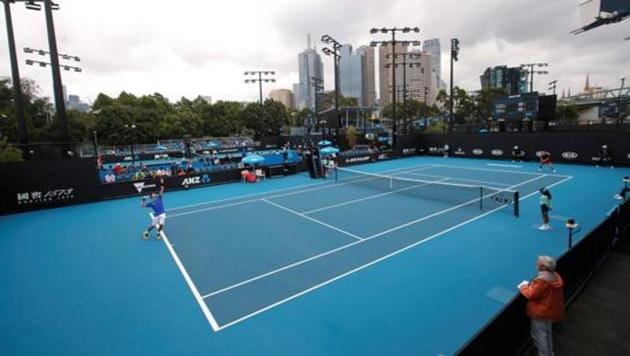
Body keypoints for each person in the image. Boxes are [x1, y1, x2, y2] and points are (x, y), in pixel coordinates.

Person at [518, 256, 565, 356]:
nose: (536, 265)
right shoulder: (555, 276)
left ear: (543, 267)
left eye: (538, 263)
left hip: (541, 312)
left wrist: (523, 287)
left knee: (539, 335)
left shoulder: (542, 281)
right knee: (547, 332)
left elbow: (532, 294)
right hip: (550, 310)